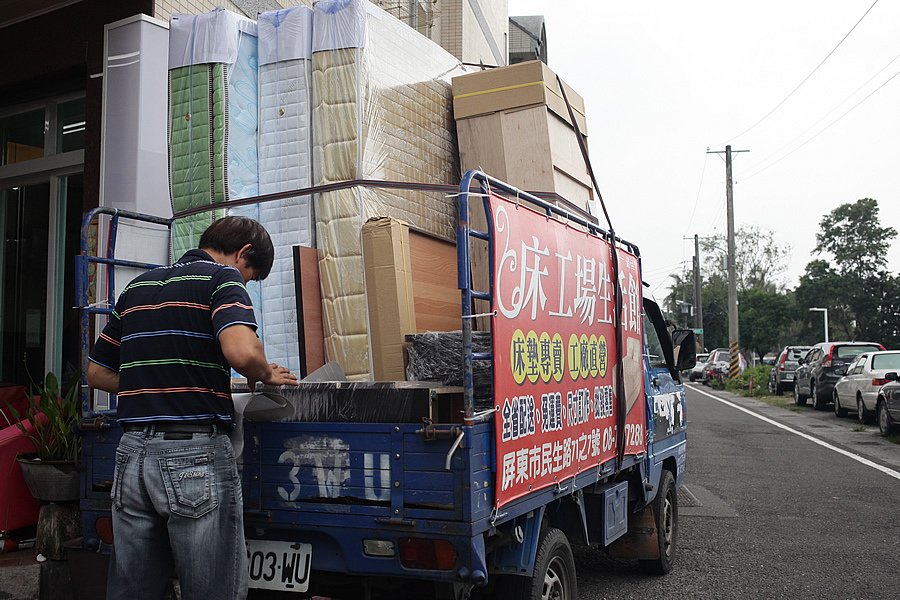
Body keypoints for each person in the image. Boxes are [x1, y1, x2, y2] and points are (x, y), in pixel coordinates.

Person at [87, 216, 299, 600]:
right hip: (193, 456)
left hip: (131, 457)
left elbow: (97, 373)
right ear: (243, 253)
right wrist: (265, 373)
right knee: (210, 587)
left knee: (135, 589)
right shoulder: (221, 279)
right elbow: (241, 351)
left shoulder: (138, 287)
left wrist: (152, 382)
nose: (245, 283)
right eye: (250, 276)